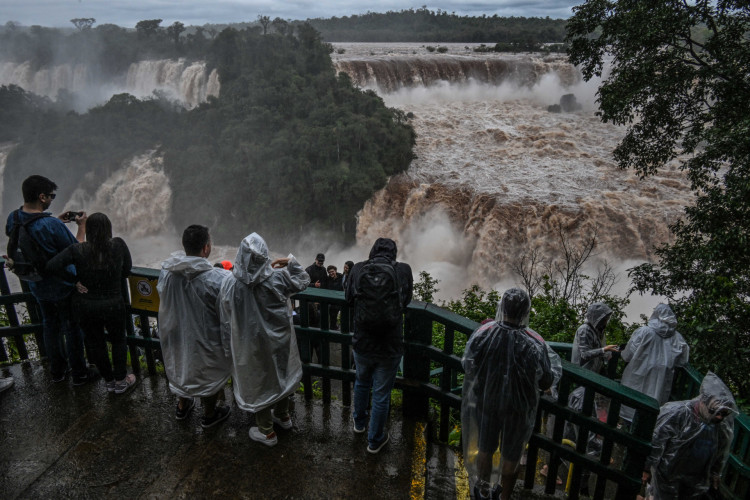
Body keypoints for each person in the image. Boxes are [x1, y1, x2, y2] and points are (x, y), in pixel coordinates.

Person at [462, 288, 554, 500]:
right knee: (512, 456)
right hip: (518, 410)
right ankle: (504, 497)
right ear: (525, 312)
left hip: (488, 402)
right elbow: (546, 379)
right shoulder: (535, 344)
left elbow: (468, 364)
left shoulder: (484, 334)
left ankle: (483, 491)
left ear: (501, 307)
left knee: (485, 448)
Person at [219, 233, 309, 447]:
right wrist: (291, 261)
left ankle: (266, 430)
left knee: (257, 379)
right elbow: (304, 280)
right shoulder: (279, 277)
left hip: (249, 343)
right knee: (281, 373)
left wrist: (226, 346)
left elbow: (225, 318)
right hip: (280, 340)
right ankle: (283, 415)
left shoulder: (230, 284)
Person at [4, 175, 93, 385]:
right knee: (71, 327)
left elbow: (29, 239)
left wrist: (54, 220)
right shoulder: (51, 225)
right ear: (42, 197)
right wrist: (82, 227)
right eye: (51, 196)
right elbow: (76, 250)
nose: (52, 199)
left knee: (50, 325)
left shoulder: (13, 217)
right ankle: (80, 374)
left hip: (36, 283)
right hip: (62, 285)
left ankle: (57, 372)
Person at [45, 213, 136, 394]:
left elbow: (50, 267)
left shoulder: (77, 250)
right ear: (108, 228)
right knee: (119, 341)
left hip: (86, 305)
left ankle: (109, 382)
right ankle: (121, 381)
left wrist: (74, 280)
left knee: (96, 343)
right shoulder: (118, 245)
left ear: (89, 230)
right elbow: (127, 270)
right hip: (113, 304)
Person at [157, 225, 232, 427]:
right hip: (207, 336)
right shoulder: (218, 279)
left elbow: (162, 294)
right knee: (210, 372)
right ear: (206, 248)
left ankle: (183, 407)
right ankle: (209, 414)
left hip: (178, 333)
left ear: (184, 245)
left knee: (181, 364)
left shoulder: (168, 272)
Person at [346, 237, 413, 454]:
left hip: (362, 341)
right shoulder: (403, 270)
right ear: (394, 252)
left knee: (362, 382)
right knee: (382, 394)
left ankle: (358, 424)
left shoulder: (357, 269)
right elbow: (406, 300)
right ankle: (375, 441)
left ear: (372, 251)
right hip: (389, 344)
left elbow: (348, 298)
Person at [643, 372, 737, 500]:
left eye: (724, 414)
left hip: (695, 478)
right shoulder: (676, 413)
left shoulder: (721, 426)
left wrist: (715, 473)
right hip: (666, 474)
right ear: (703, 401)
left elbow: (720, 452)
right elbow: (656, 441)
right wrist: (646, 468)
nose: (719, 417)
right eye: (714, 411)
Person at [620, 304, 689, 422]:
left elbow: (627, 356)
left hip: (637, 375)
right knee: (653, 407)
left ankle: (627, 423)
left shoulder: (643, 332)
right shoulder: (678, 338)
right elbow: (682, 361)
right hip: (661, 380)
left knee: (631, 403)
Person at [571, 302, 619, 374]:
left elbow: (597, 348)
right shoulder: (585, 330)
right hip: (581, 372)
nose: (606, 322)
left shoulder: (598, 330)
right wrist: (604, 350)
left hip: (592, 372)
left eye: (607, 319)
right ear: (597, 318)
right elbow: (585, 354)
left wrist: (607, 352)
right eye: (604, 319)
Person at [324, 264, 343, 329]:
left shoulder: (341, 277)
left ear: (335, 271)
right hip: (332, 300)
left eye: (332, 271)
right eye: (329, 272)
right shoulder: (327, 279)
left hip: (340, 298)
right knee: (333, 316)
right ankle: (333, 328)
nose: (331, 273)